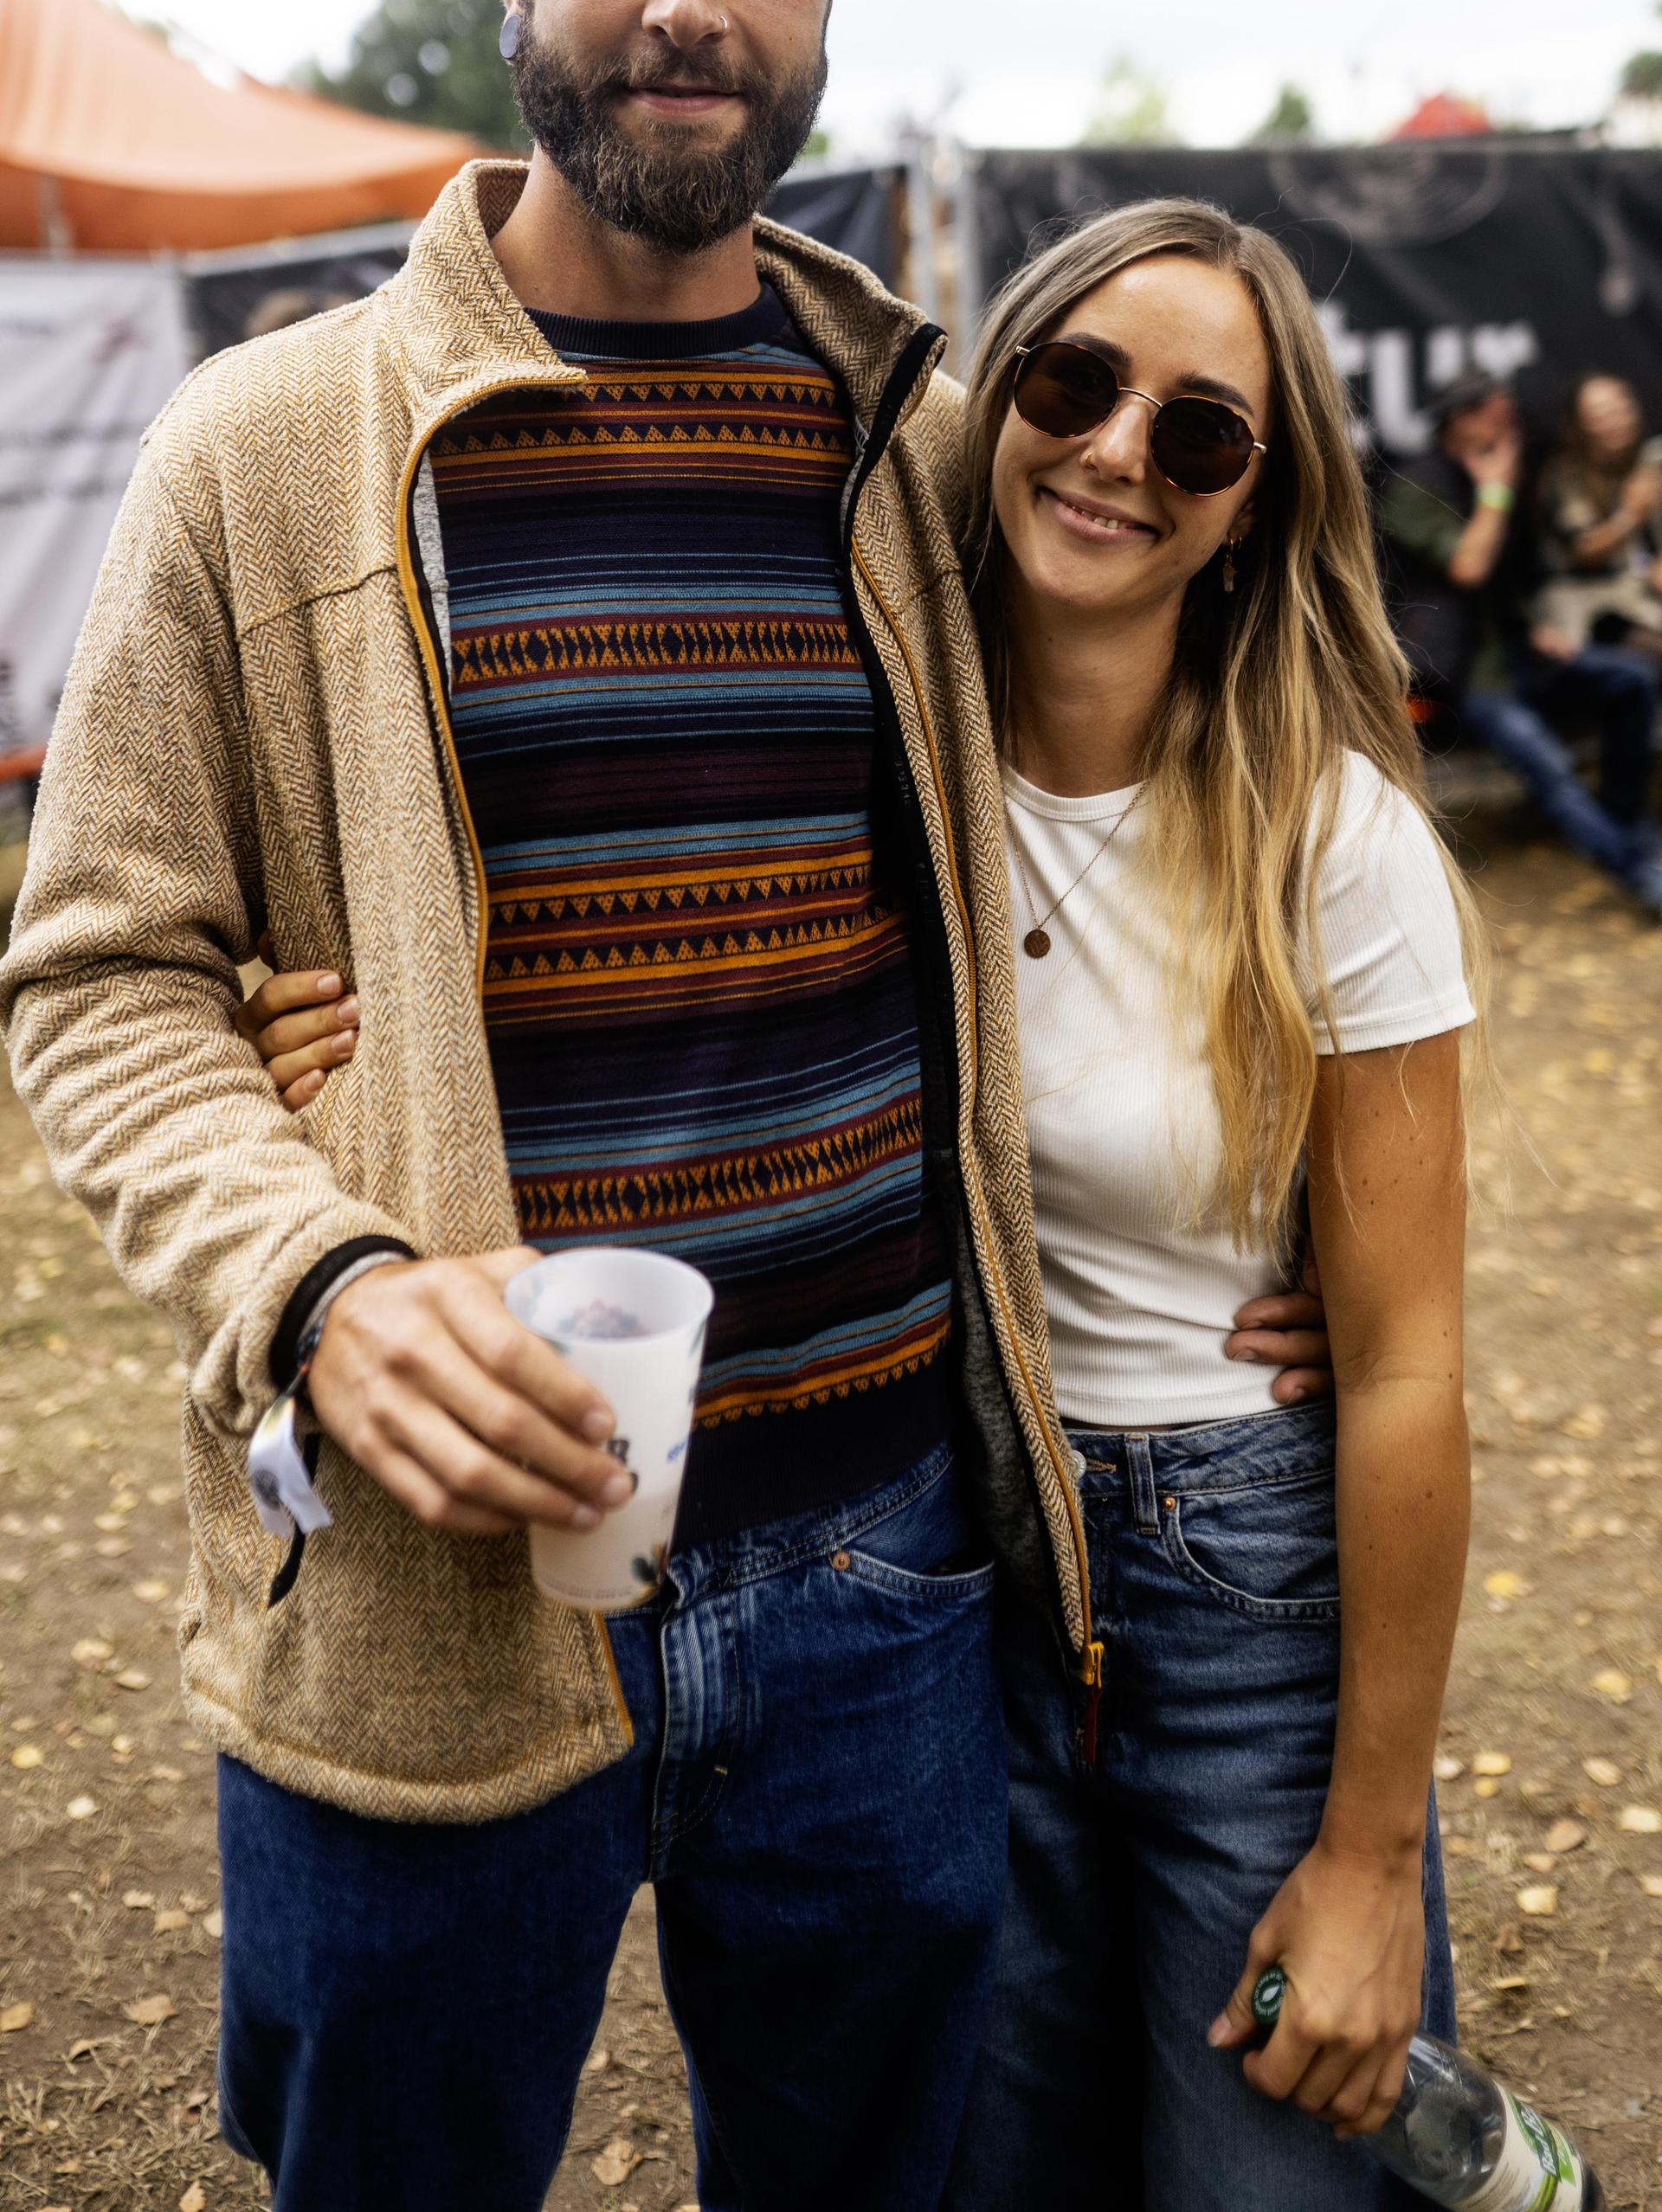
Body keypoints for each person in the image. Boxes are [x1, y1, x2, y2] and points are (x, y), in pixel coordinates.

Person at [0, 0, 1329, 2212]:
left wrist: (1273, 1225)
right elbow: (101, 968)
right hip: (427, 1589)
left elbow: (1213, 759)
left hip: (880, 1575)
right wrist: (324, 1266)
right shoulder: (261, 456)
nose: (692, 2)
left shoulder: (932, 456)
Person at [256, 198, 1470, 2209]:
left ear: (1255, 504)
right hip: (953, 1559)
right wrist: (329, 1017)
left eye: (1200, 434)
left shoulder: (1333, 838)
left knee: (1260, 2175)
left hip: (1233, 1563)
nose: (1114, 451)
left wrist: (1369, 1850)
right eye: (1076, 383)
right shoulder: (878, 739)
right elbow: (624, 906)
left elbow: (1418, 1363)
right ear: (994, 401)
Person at [1380, 374, 1662, 914]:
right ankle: (1639, 871)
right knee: (1547, 763)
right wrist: (1494, 491)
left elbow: (1514, 579)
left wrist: (1539, 624)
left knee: (1632, 679)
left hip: (1524, 653)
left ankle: (1627, 826)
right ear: (1460, 418)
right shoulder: (1417, 485)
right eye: (1494, 412)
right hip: (1465, 674)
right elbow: (1469, 566)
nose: (1507, 422)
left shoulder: (1513, 473)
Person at [1534, 372, 1662, 660]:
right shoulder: (1566, 476)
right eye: (1600, 415)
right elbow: (1585, 551)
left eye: (1619, 410)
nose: (1614, 422)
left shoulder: (1651, 462)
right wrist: (1630, 515)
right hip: (1586, 602)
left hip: (1642, 591)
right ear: (1580, 424)